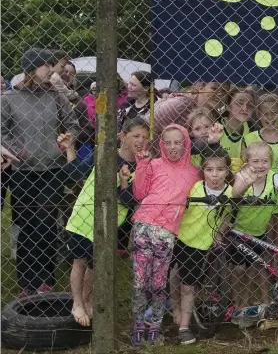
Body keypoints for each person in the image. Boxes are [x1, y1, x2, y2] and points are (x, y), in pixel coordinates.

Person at [0, 47, 79, 296]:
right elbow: (2, 131)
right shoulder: (9, 99)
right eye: (46, 65)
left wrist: (66, 139)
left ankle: (46, 279)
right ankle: (26, 282)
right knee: (27, 225)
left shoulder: (55, 96)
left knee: (45, 225)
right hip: (23, 171)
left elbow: (74, 124)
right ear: (32, 68)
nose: (51, 70)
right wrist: (17, 151)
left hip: (53, 170)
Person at [64, 117, 151, 326]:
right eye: (136, 136)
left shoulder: (143, 165)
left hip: (109, 225)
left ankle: (87, 298)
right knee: (79, 261)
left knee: (96, 265)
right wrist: (69, 148)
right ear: (123, 137)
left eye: (145, 137)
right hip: (84, 218)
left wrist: (124, 183)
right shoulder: (105, 154)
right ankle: (77, 302)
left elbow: (129, 201)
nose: (141, 141)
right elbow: (76, 173)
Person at [130, 124, 200, 347]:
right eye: (167, 142)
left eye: (177, 142)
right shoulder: (154, 165)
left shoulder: (194, 172)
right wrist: (141, 165)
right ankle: (138, 325)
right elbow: (139, 193)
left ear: (186, 143)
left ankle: (156, 327)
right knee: (140, 281)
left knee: (159, 283)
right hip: (144, 226)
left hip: (167, 232)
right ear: (161, 144)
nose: (172, 147)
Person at [231, 142, 278, 312]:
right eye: (255, 161)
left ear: (270, 163)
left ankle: (254, 303)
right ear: (247, 162)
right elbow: (235, 194)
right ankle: (236, 302)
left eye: (265, 161)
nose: (260, 165)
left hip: (259, 232)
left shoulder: (273, 177)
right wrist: (247, 183)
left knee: (255, 268)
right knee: (238, 269)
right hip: (238, 232)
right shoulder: (242, 176)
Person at [172, 147, 234, 345]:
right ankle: (176, 310)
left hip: (202, 245)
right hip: (181, 237)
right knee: (174, 276)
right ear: (203, 170)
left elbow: (228, 216)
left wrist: (219, 232)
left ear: (227, 171)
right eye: (209, 170)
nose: (214, 175)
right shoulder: (196, 187)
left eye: (220, 170)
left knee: (189, 286)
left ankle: (184, 326)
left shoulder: (231, 192)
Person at [244, 93, 278, 315]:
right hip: (258, 202)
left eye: (274, 114)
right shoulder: (251, 136)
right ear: (259, 115)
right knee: (263, 252)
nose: (270, 118)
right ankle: (264, 300)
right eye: (265, 114)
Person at [219, 86, 255, 173]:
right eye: (239, 103)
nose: (245, 108)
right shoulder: (217, 128)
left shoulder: (251, 129)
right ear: (228, 106)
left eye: (250, 105)